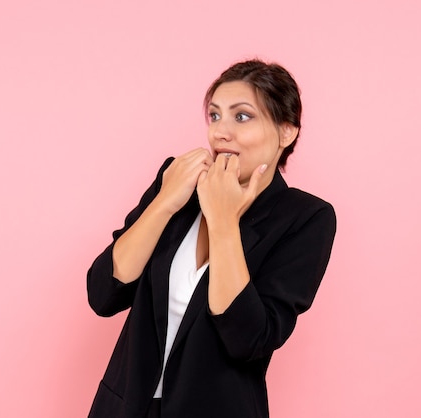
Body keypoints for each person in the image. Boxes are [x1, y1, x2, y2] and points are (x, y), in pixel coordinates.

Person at [86, 59, 336, 418]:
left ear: (286, 132)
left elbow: (247, 338)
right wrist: (165, 202)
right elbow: (103, 294)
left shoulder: (305, 217)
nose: (220, 132)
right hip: (127, 408)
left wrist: (222, 220)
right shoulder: (177, 181)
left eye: (242, 116)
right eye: (215, 116)